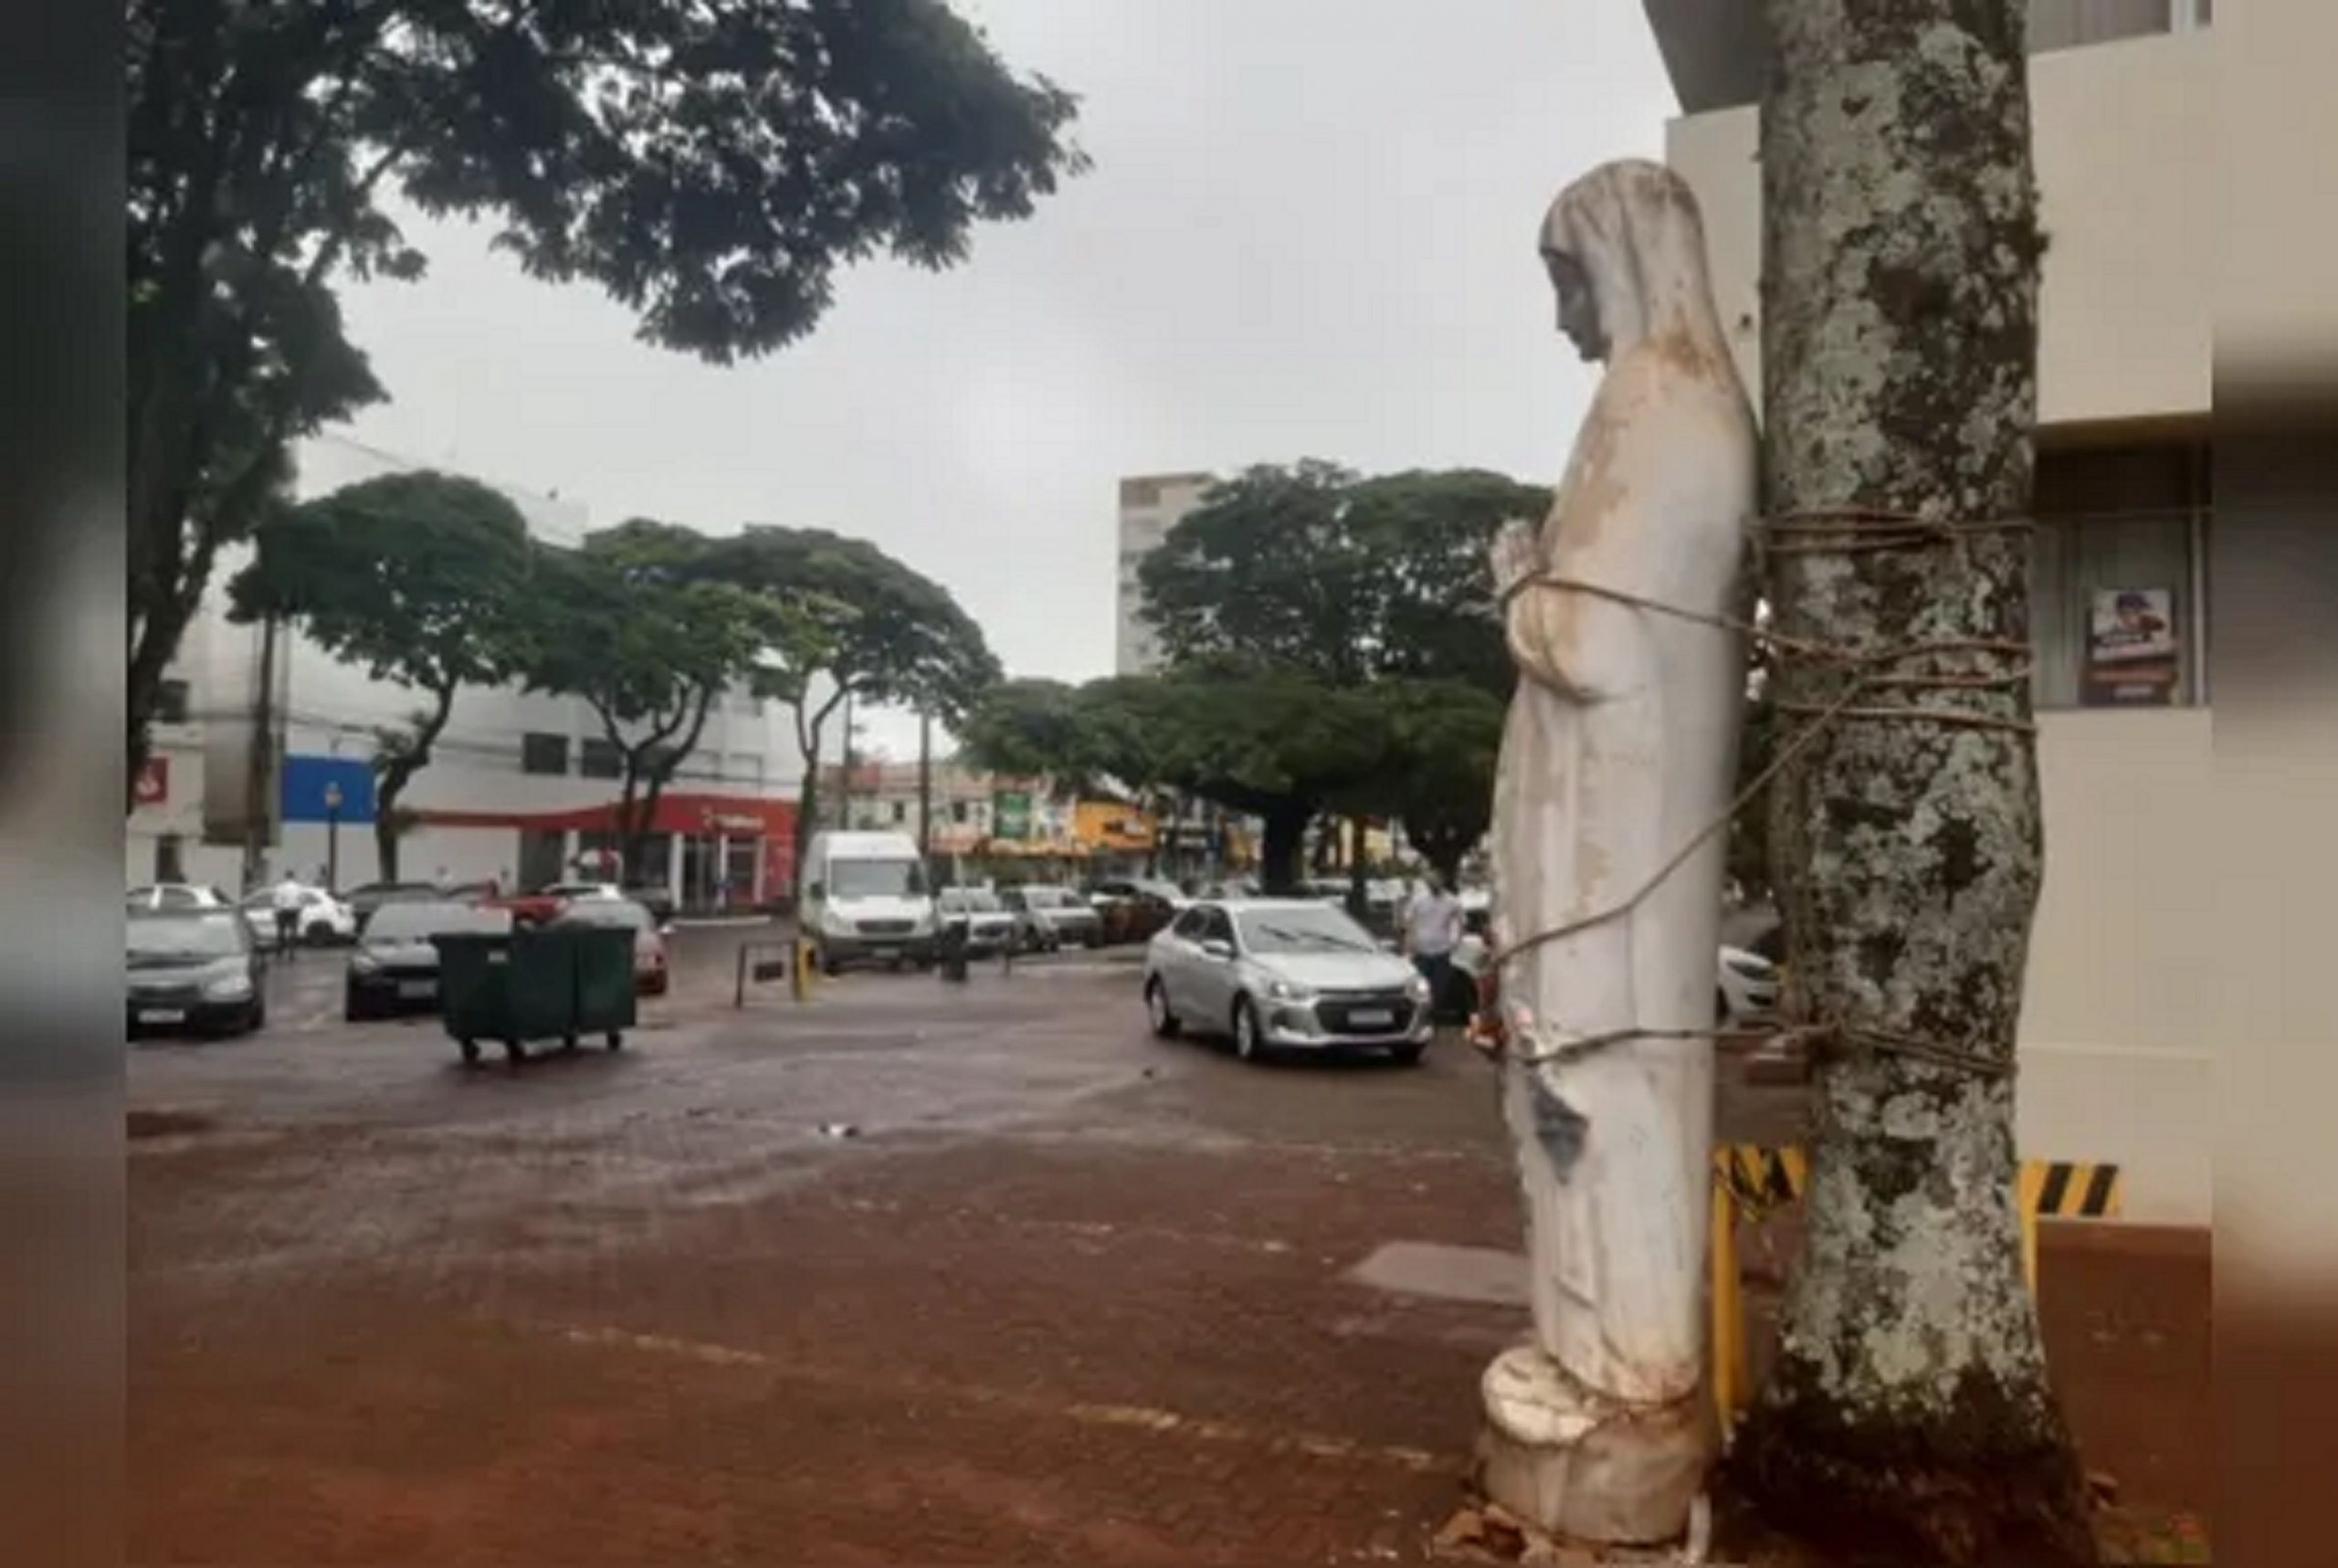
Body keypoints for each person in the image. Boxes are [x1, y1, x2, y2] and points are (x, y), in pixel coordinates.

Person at [1400, 871, 1465, 1013]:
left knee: (1440, 986)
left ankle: (1434, 1012)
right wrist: (1408, 945)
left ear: (1442, 882)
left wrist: (1457, 941)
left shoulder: (1452, 901)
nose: (1433, 885)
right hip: (1421, 950)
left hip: (1442, 951)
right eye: (1430, 883)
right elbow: (1409, 923)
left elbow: (1461, 922)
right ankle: (1422, 1013)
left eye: (1436, 882)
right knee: (1420, 986)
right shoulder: (1418, 900)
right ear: (1427, 884)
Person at [269, 869, 305, 957]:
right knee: (293, 931)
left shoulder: (280, 887)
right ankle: (291, 951)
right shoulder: (299, 887)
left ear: (285, 877)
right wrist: (300, 909)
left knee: (281, 930)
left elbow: (277, 901)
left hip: (283, 911)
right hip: (294, 911)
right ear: (293, 876)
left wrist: (276, 910)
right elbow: (302, 900)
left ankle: (280, 949)